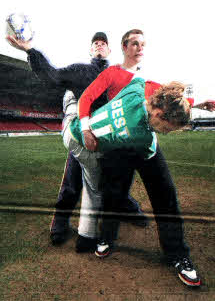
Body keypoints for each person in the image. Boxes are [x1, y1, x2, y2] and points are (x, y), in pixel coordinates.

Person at [65, 28, 215, 287]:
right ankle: (106, 237)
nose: (139, 48)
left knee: (165, 195)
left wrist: (197, 103)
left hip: (142, 138)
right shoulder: (112, 73)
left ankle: (178, 255)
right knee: (113, 193)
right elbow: (88, 97)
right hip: (118, 142)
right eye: (134, 43)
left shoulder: (140, 82)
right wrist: (86, 127)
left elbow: (168, 96)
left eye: (143, 44)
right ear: (124, 47)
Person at [6, 31, 147, 252]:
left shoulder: (120, 75)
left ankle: (128, 208)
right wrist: (30, 51)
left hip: (110, 137)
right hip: (83, 134)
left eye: (103, 43)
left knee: (116, 178)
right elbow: (51, 75)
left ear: (110, 50)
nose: (99, 45)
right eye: (96, 43)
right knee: (72, 183)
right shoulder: (80, 70)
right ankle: (59, 224)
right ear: (91, 50)